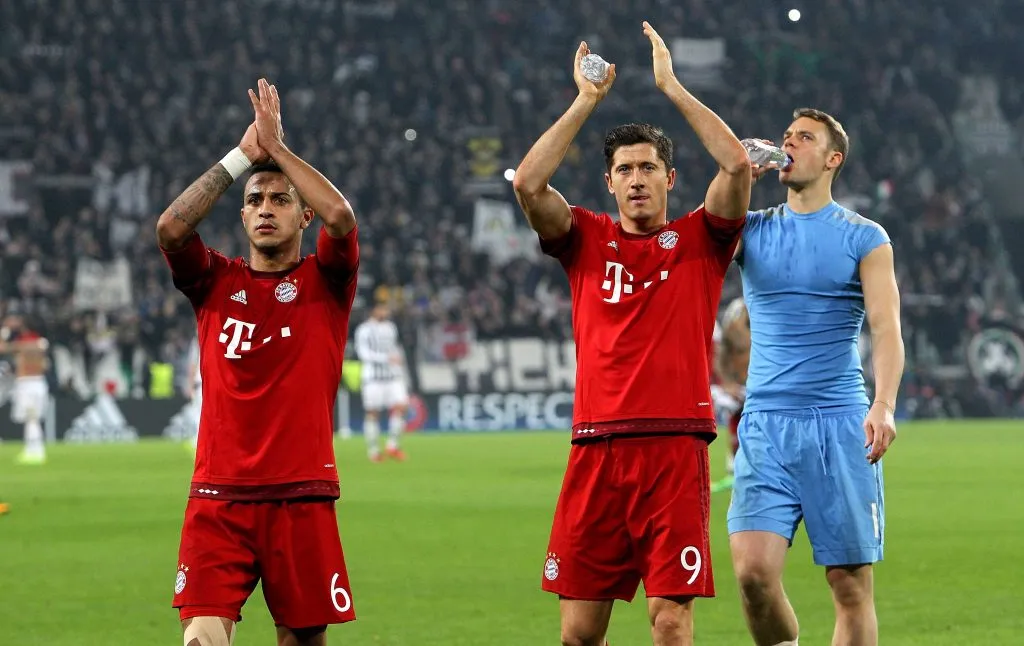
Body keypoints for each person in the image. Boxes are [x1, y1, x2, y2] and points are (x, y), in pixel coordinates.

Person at [512, 22, 752, 646]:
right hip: (596, 447)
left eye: (649, 167)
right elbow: (527, 184)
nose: (638, 178)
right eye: (625, 169)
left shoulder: (702, 239)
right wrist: (585, 103)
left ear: (671, 180)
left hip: (673, 449)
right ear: (610, 182)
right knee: (579, 633)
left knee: (670, 621)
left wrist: (671, 86)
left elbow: (736, 164)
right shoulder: (585, 239)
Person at [157, 78, 360, 646]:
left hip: (301, 497)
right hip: (218, 499)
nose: (264, 209)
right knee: (200, 639)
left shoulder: (327, 282)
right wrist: (244, 156)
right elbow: (171, 229)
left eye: (279, 199)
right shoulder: (214, 282)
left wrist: (280, 151)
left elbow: (342, 216)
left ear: (303, 217)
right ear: (241, 217)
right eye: (254, 201)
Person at [727, 108, 904, 646]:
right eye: (786, 136)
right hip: (765, 427)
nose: (789, 144)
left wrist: (885, 405)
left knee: (849, 588)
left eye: (804, 137)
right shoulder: (751, 229)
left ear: (833, 159)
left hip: (839, 424)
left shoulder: (864, 236)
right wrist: (736, 176)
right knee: (753, 576)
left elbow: (886, 327)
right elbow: (704, 234)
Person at [353, 303, 408, 462]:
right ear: (374, 310)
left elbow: (394, 347)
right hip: (373, 378)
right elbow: (363, 353)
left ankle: (392, 445)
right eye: (382, 309)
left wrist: (398, 359)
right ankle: (374, 451)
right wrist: (386, 359)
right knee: (373, 413)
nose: (386, 312)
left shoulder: (391, 327)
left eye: (387, 309)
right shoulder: (364, 330)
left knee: (402, 405)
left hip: (392, 376)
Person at [0, 314, 50, 465]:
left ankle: (34, 451)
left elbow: (2, 347)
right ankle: (35, 449)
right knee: (33, 418)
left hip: (26, 383)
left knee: (30, 419)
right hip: (40, 382)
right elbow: (45, 365)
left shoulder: (21, 344)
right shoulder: (41, 343)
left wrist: (5, 330)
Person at [710, 297, 748, 493]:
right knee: (733, 412)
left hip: (758, 382)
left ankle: (741, 467)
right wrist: (728, 383)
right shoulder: (736, 313)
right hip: (739, 383)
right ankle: (735, 466)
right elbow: (724, 352)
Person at [184, 334, 201, 452]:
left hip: (205, 382)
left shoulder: (200, 339)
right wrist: (190, 385)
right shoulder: (198, 340)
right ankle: (198, 440)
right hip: (200, 383)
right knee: (199, 414)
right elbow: (192, 364)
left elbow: (192, 364)